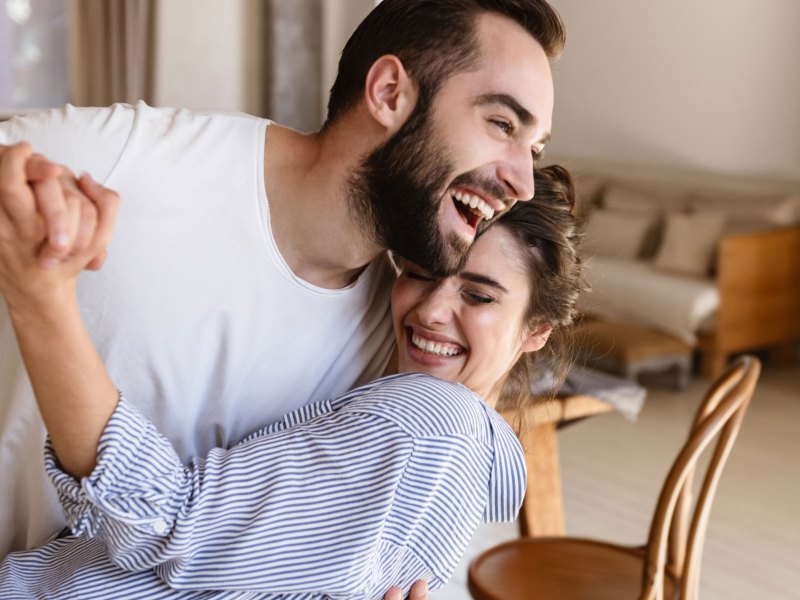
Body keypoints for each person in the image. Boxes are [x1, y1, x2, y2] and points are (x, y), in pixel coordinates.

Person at [0, 0, 566, 562]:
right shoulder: (136, 158)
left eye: (532, 148)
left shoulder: (394, 345)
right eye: (501, 124)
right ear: (391, 93)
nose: (522, 182)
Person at [0, 166, 582, 598]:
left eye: (478, 296)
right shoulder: (471, 471)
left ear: (536, 331)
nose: (429, 311)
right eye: (421, 273)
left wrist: (42, 297)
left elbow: (174, 527)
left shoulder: (428, 417)